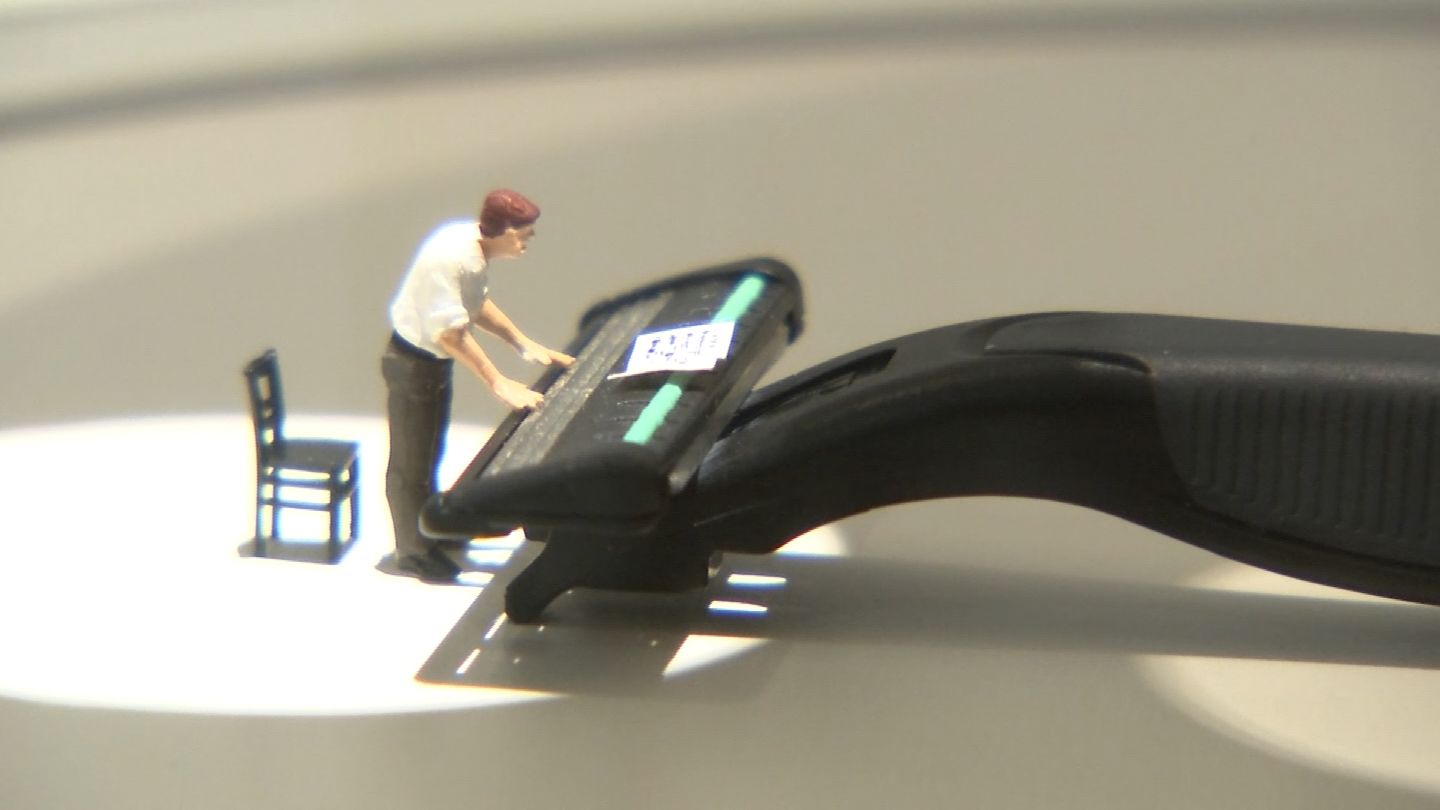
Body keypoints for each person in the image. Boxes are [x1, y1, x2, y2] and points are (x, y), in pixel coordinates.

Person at [382, 189, 573, 582]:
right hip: (412, 365)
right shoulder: (450, 258)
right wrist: (498, 382)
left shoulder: (473, 251)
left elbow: (475, 304)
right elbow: (450, 334)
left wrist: (523, 343)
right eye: (524, 235)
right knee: (410, 465)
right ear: (504, 231)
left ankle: (430, 531)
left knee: (429, 456)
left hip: (431, 364)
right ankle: (413, 552)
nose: (528, 242)